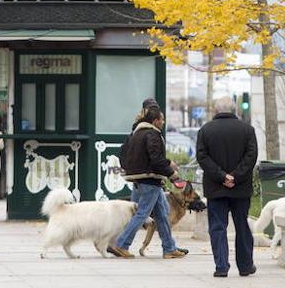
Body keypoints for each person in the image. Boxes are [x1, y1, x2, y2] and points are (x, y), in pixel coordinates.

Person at [107, 105, 187, 259]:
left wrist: (165, 163)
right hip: (150, 179)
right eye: (162, 120)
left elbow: (125, 154)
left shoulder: (136, 133)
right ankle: (121, 244)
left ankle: (169, 248)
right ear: (156, 120)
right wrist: (172, 174)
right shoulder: (152, 135)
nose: (163, 123)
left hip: (139, 178)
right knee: (142, 213)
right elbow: (156, 160)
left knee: (162, 214)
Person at [196, 95, 258, 277]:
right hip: (240, 188)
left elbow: (202, 157)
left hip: (216, 188)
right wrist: (235, 177)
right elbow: (251, 157)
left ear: (216, 110)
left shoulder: (205, 131)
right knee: (242, 226)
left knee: (217, 227)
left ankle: (221, 266)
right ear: (234, 110)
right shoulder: (247, 130)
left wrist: (221, 176)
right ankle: (245, 265)